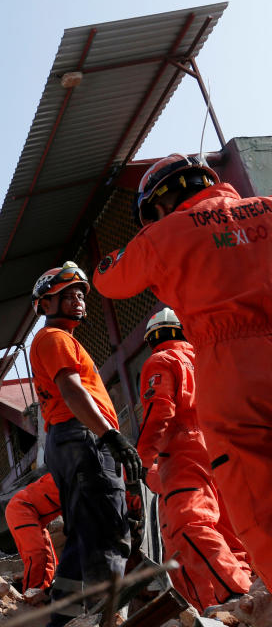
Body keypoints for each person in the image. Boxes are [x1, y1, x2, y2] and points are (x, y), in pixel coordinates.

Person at [93, 153, 272, 588]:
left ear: (159, 204)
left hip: (232, 371)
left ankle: (235, 595)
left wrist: (143, 461)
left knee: (257, 511)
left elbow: (107, 279)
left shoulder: (163, 235)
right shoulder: (268, 206)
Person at [28, 262, 141, 626]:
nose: (78, 300)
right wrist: (110, 435)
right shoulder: (55, 339)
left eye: (80, 295)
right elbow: (72, 390)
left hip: (71, 441)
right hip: (83, 439)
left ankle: (63, 621)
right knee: (109, 536)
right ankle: (105, 621)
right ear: (45, 303)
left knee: (83, 539)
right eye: (68, 295)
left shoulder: (59, 340)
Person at [136, 308, 252, 610]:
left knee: (189, 523)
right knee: (227, 530)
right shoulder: (207, 361)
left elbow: (159, 410)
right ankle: (242, 592)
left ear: (153, 340)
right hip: (221, 448)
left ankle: (236, 594)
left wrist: (142, 460)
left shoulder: (161, 360)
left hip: (183, 447)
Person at [4, 473, 61, 596]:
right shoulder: (72, 478)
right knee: (37, 555)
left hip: (35, 515)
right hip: (21, 508)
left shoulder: (68, 473)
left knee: (50, 560)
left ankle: (43, 590)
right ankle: (30, 596)